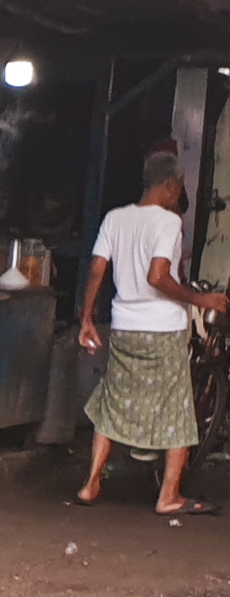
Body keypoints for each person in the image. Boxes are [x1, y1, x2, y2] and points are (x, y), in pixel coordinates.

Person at [74, 151, 229, 516]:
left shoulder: (116, 218)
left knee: (113, 403)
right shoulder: (169, 222)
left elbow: (97, 269)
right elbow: (158, 277)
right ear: (172, 185)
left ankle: (91, 483)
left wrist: (86, 318)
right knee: (176, 410)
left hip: (125, 327)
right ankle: (169, 496)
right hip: (161, 330)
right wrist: (198, 298)